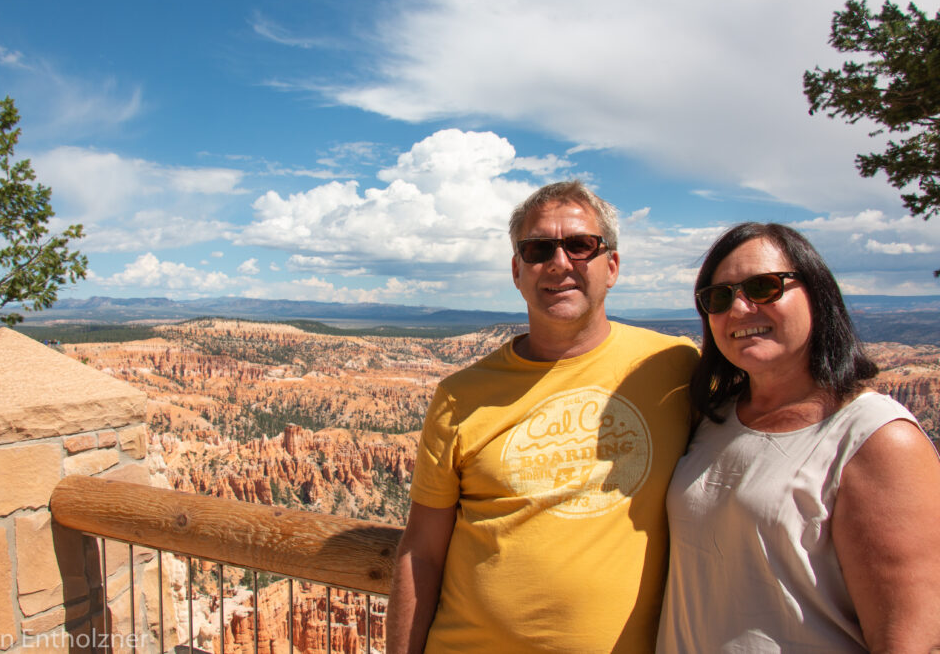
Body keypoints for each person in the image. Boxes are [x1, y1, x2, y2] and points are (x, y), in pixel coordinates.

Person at [386, 180, 699, 653]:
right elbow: (422, 552)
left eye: (580, 245)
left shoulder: (675, 365)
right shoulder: (459, 396)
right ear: (517, 270)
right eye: (538, 249)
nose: (559, 263)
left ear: (611, 266)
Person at [657, 222, 940, 652]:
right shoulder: (714, 421)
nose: (739, 309)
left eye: (764, 287)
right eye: (719, 297)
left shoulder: (874, 439)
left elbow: (911, 641)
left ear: (818, 295)